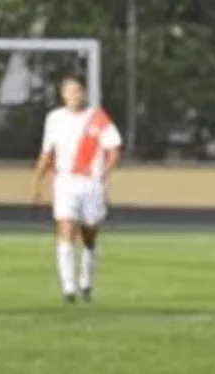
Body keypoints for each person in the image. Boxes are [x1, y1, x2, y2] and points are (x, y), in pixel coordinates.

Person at [32, 74, 122, 303]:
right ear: (63, 96)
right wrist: (37, 180)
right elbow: (47, 152)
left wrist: (105, 174)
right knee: (65, 227)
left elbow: (113, 148)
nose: (75, 95)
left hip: (90, 182)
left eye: (78, 91)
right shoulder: (54, 119)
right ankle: (68, 286)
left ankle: (85, 281)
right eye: (70, 92)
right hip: (65, 181)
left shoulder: (97, 117)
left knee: (89, 233)